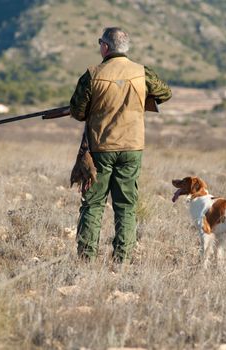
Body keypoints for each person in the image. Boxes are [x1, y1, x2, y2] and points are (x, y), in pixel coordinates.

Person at [69, 27, 172, 263]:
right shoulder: (142, 72)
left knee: (93, 204)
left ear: (105, 46)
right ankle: (122, 261)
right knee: (126, 206)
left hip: (100, 149)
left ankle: (86, 260)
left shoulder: (92, 74)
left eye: (100, 43)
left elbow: (77, 111)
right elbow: (165, 93)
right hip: (132, 148)